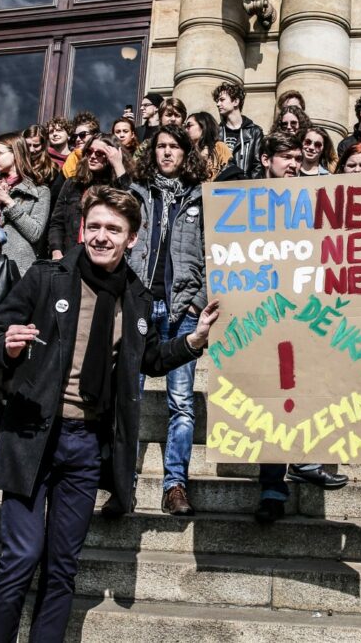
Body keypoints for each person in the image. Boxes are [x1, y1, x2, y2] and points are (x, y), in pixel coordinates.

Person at [0, 186, 220, 643]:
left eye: (114, 229)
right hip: (31, 434)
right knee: (21, 559)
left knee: (62, 566)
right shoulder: (47, 279)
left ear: (133, 238)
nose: (102, 237)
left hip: (85, 444)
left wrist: (194, 340)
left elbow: (146, 360)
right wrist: (3, 346)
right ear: (83, 227)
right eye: (96, 226)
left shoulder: (139, 299)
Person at [250, 131, 349, 523]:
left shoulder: (312, 202)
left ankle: (305, 457)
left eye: (296, 158)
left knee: (303, 388)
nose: (293, 164)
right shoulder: (245, 204)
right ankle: (272, 487)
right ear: (265, 161)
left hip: (306, 310)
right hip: (261, 314)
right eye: (285, 158)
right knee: (270, 401)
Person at [127, 125, 208, 516]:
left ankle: (175, 485)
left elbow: (218, 255)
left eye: (174, 146)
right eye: (160, 146)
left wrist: (197, 302)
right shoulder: (134, 194)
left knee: (181, 403)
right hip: (139, 307)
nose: (166, 153)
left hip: (182, 313)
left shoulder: (203, 198)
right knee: (130, 398)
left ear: (185, 152)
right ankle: (122, 481)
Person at [48, 134, 134, 259]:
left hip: (105, 257)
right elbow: (57, 222)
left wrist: (118, 165)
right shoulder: (72, 184)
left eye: (100, 153)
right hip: (70, 256)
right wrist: (56, 251)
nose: (93, 156)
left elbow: (131, 207)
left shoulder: (118, 186)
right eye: (89, 151)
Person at [0, 132, 51, 273]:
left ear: (15, 153)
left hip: (17, 269)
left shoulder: (39, 191)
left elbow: (35, 233)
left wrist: (9, 202)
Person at [216, 81, 263, 179]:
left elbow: (257, 166)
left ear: (236, 102)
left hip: (244, 189)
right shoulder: (216, 131)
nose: (218, 104)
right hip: (219, 189)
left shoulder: (254, 132)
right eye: (217, 100)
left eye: (222, 100)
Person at [186, 111, 235, 181]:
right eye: (185, 126)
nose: (185, 129)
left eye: (189, 126)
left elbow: (231, 174)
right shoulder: (186, 152)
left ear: (203, 126)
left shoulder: (219, 147)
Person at [60, 113, 102, 180]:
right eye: (75, 136)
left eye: (82, 135)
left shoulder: (102, 157)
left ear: (94, 135)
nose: (78, 139)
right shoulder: (70, 161)